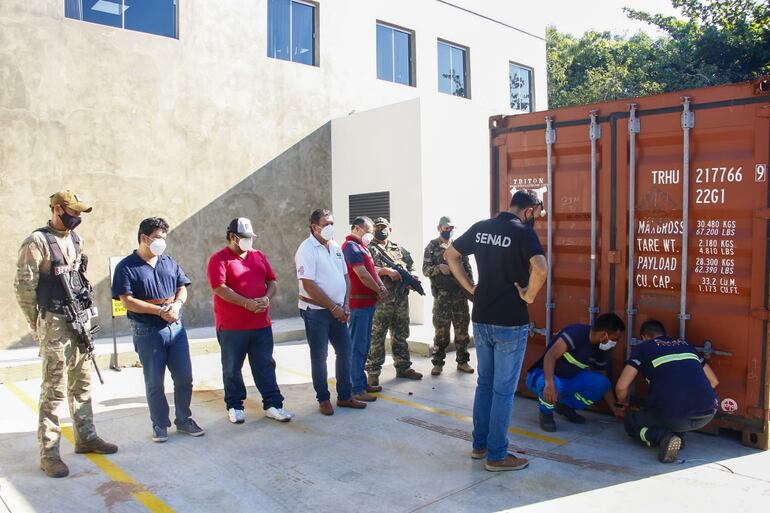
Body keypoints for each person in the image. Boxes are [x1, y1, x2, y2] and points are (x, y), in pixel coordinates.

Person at [14, 191, 117, 478]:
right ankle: (49, 453)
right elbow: (24, 286)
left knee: (82, 383)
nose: (78, 217)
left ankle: (85, 437)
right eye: (73, 211)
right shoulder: (37, 242)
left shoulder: (75, 239)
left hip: (78, 320)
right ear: (57, 209)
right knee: (54, 389)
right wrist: (35, 322)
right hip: (55, 322)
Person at [444, 189, 547, 472]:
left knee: (485, 385)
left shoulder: (481, 228)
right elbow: (541, 267)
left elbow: (450, 255)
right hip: (510, 322)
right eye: (537, 213)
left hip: (482, 317)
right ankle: (498, 455)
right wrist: (530, 295)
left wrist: (470, 287)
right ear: (529, 210)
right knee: (503, 391)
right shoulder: (523, 232)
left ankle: (479, 446)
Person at [112, 217, 204, 442]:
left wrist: (177, 305)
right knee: (154, 381)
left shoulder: (169, 262)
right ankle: (160, 424)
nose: (162, 243)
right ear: (144, 238)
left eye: (164, 238)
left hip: (175, 329)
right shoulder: (126, 267)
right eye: (158, 238)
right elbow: (127, 301)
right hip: (148, 332)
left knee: (184, 378)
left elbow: (182, 288)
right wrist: (158, 311)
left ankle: (184, 419)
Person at [207, 217, 294, 424]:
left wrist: (266, 297)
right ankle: (235, 405)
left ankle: (273, 404)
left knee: (265, 365)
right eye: (244, 238)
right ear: (232, 237)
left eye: (251, 237)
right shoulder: (219, 259)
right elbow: (219, 288)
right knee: (232, 368)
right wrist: (246, 303)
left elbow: (272, 281)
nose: (249, 241)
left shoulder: (259, 256)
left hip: (261, 325)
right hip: (232, 327)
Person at [616, 319, 719, 463]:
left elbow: (622, 386)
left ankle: (664, 437)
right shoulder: (686, 345)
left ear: (644, 337)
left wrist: (622, 402)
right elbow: (714, 382)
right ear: (664, 334)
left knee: (632, 421)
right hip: (708, 413)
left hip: (675, 415)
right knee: (672, 410)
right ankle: (677, 436)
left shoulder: (644, 348)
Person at [295, 209, 367, 415]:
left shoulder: (335, 246)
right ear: (315, 227)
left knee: (346, 351)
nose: (330, 228)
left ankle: (345, 396)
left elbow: (346, 277)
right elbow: (308, 284)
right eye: (326, 224)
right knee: (319, 356)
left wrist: (345, 304)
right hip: (316, 311)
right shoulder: (306, 249)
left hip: (338, 310)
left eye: (332, 223)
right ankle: (323, 399)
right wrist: (333, 307)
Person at [525, 313, 626, 432]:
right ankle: (546, 414)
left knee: (602, 383)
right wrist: (549, 383)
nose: (615, 343)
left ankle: (566, 406)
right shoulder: (576, 334)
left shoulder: (601, 349)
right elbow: (550, 356)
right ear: (604, 335)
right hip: (542, 376)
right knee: (553, 384)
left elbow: (602, 377)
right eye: (614, 339)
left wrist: (615, 409)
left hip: (568, 380)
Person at [366, 217, 423, 385]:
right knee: (377, 336)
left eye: (384, 227)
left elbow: (411, 266)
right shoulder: (369, 249)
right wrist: (385, 271)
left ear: (390, 230)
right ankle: (373, 372)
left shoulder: (399, 249)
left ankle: (403, 367)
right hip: (381, 301)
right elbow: (365, 269)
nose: (381, 230)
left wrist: (413, 277)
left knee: (401, 334)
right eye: (377, 227)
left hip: (401, 299)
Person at [342, 216, 388, 402]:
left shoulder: (361, 247)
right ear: (357, 228)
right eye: (368, 231)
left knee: (364, 345)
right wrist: (378, 289)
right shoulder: (351, 247)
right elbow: (361, 274)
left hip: (367, 304)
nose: (371, 235)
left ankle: (360, 382)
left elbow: (371, 271)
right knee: (357, 347)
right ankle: (356, 388)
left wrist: (380, 286)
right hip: (359, 306)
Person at [423, 215, 474, 376]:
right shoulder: (431, 247)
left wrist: (471, 289)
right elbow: (425, 270)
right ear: (439, 228)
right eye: (446, 228)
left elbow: (467, 269)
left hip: (459, 296)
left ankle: (463, 362)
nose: (449, 231)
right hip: (442, 298)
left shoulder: (458, 247)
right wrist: (439, 268)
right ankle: (438, 363)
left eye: (451, 229)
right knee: (441, 333)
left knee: (462, 332)